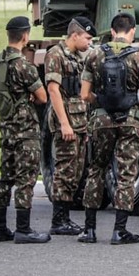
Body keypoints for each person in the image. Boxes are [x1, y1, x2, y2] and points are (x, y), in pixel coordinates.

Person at [77, 12, 139, 244]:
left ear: (111, 31)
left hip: (101, 120)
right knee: (126, 175)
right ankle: (119, 231)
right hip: (130, 121)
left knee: (96, 169)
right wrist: (136, 105)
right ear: (133, 31)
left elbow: (84, 94)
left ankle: (89, 230)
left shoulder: (94, 54)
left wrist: (100, 102)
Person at [0, 16, 51, 244]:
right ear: (25, 36)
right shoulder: (23, 65)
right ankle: (23, 229)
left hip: (6, 128)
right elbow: (42, 97)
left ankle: (0, 228)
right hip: (25, 131)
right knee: (26, 179)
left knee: (5, 178)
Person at [43, 15, 96, 236]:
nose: (89, 42)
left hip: (79, 122)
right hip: (67, 123)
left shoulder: (77, 57)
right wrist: (64, 124)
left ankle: (65, 217)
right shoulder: (56, 54)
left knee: (76, 170)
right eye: (87, 37)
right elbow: (53, 90)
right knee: (65, 170)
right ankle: (59, 220)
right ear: (74, 35)